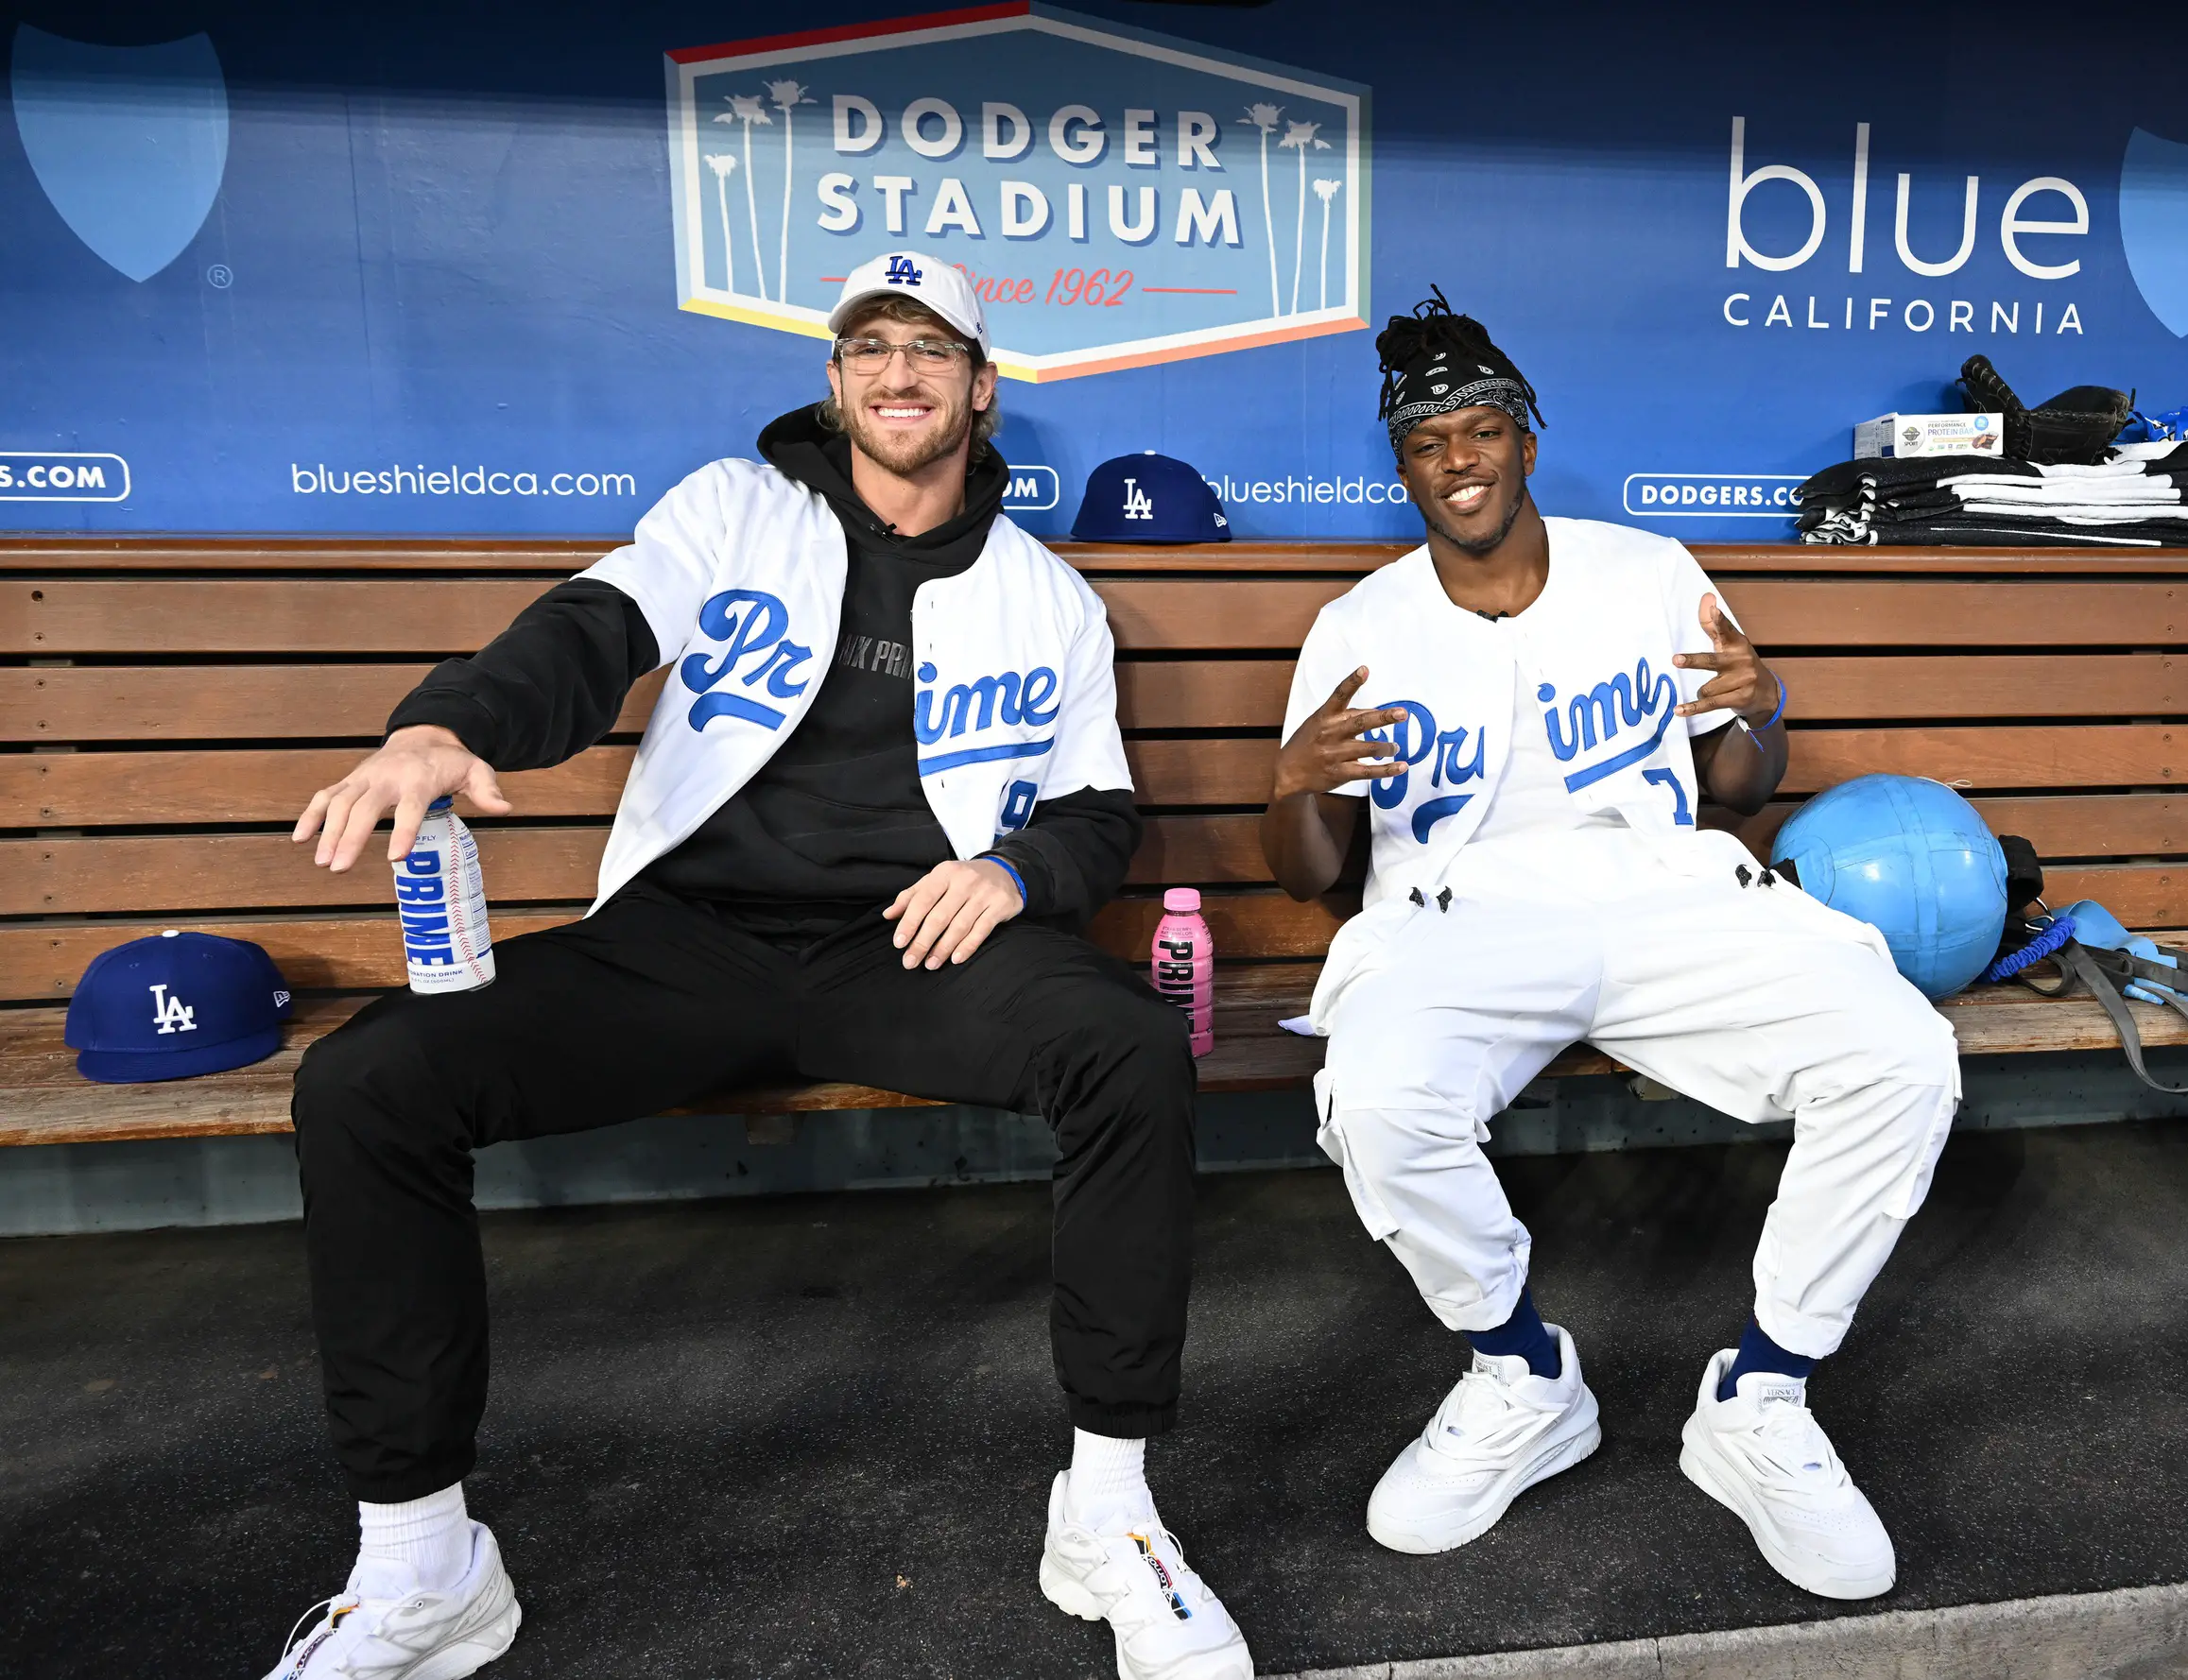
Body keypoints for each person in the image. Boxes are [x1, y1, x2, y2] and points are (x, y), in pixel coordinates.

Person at [269, 252, 1251, 1680]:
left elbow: (1099, 812)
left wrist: (1015, 872)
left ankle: (1108, 1509)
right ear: (835, 378)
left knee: (1131, 1051)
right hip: (687, 944)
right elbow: (590, 632)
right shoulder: (734, 509)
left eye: (931, 349)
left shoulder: (1049, 596)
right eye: (868, 347)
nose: (897, 371)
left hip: (905, 945)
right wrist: (441, 724)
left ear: (983, 387)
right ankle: (424, 1556)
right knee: (368, 1083)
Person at [1260, 291, 1960, 1600]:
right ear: (1403, 466)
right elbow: (1305, 874)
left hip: (1665, 888)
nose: (1458, 461)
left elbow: (1742, 785)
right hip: (1454, 916)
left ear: (1526, 438)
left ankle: (1761, 1395)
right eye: (1428, 443)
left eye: (1481, 430)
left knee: (1903, 1055)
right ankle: (1522, 1371)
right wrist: (1293, 785)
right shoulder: (1360, 624)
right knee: (1376, 1095)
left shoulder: (1644, 570)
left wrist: (1766, 711)